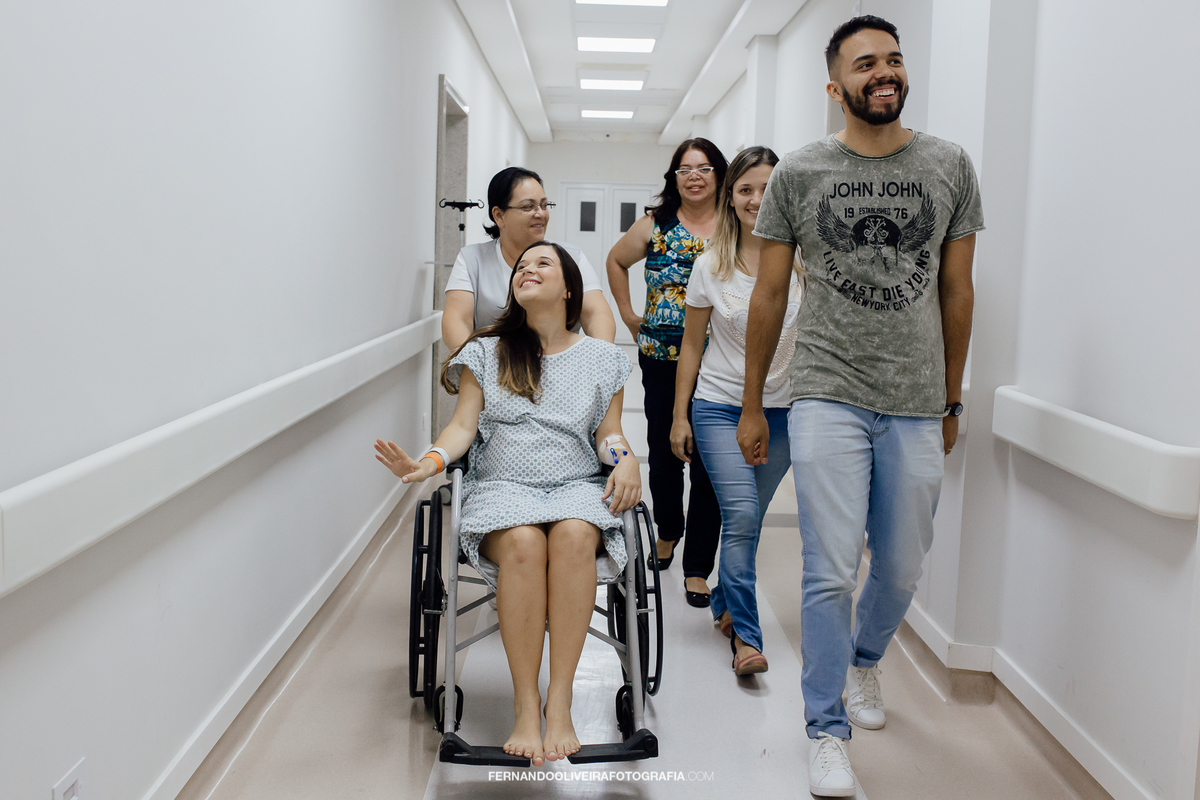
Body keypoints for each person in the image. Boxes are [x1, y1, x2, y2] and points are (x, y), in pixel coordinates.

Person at [737, 16, 983, 797]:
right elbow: (770, 292)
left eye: (895, 60)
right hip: (825, 390)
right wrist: (752, 403)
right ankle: (825, 728)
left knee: (903, 566)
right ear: (836, 83)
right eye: (866, 62)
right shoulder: (802, 171)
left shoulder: (949, 164)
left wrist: (950, 398)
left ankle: (865, 662)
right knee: (829, 568)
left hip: (914, 398)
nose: (885, 72)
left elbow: (956, 288)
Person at [376, 242, 639, 767]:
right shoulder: (484, 351)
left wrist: (627, 458)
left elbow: (608, 435)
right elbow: (462, 428)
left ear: (569, 288)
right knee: (521, 541)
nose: (527, 269)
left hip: (575, 484)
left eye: (543, 263)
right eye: (521, 266)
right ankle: (526, 705)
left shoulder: (603, 358)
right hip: (502, 486)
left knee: (574, 535)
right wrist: (427, 463)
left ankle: (559, 700)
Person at [669, 146, 802, 677]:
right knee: (742, 515)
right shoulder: (710, 265)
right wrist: (680, 416)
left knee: (751, 517)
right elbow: (693, 347)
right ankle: (746, 638)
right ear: (731, 198)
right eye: (746, 189)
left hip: (785, 411)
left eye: (768, 188)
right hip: (720, 406)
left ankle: (725, 597)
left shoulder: (805, 262)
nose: (757, 199)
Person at [606, 138, 727, 607]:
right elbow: (617, 261)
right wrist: (628, 314)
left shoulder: (737, 226)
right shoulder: (655, 224)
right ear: (673, 177)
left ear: (719, 174)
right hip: (661, 354)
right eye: (684, 168)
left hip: (721, 362)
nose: (693, 175)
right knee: (664, 447)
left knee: (711, 459)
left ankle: (699, 564)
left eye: (703, 167)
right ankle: (668, 531)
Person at [442, 167, 615, 350]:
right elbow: (457, 321)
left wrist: (601, 358)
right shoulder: (472, 260)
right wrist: (479, 369)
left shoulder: (571, 257)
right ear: (499, 216)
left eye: (544, 205)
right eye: (528, 207)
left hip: (559, 369)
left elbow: (596, 314)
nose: (540, 213)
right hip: (492, 369)